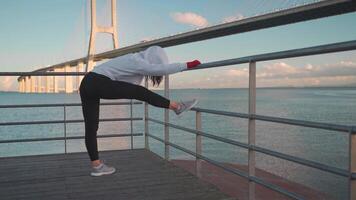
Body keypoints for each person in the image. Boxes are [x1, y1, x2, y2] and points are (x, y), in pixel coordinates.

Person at [79, 46, 201, 176]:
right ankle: (177, 107)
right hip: (98, 82)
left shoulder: (134, 60)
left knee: (91, 127)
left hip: (87, 83)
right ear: (153, 59)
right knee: (140, 92)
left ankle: (97, 166)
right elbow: (157, 71)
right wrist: (187, 65)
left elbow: (127, 85)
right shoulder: (138, 61)